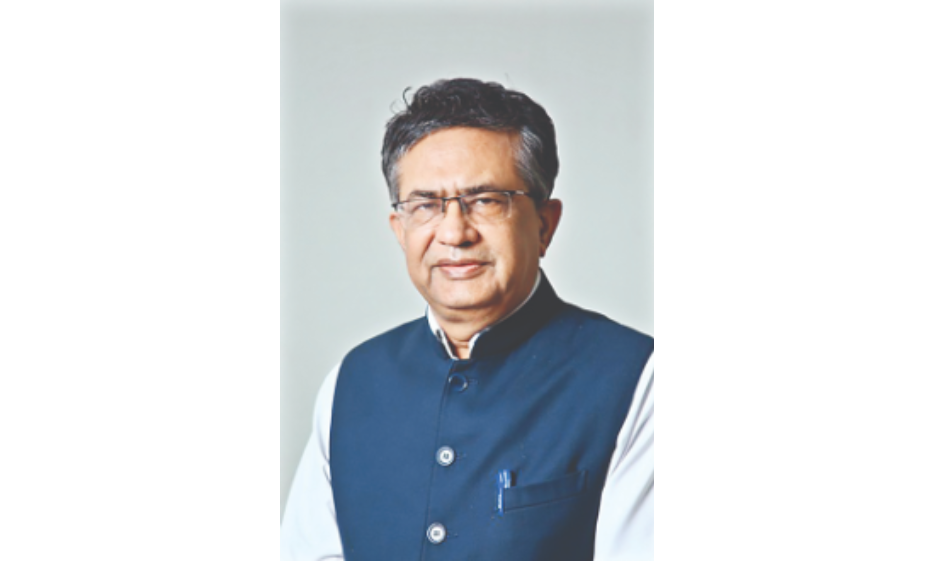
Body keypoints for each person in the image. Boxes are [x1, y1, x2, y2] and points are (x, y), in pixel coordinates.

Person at [280, 78, 654, 561]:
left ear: (544, 224)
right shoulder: (350, 382)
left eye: (486, 200)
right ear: (400, 230)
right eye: (426, 205)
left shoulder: (634, 377)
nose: (454, 233)